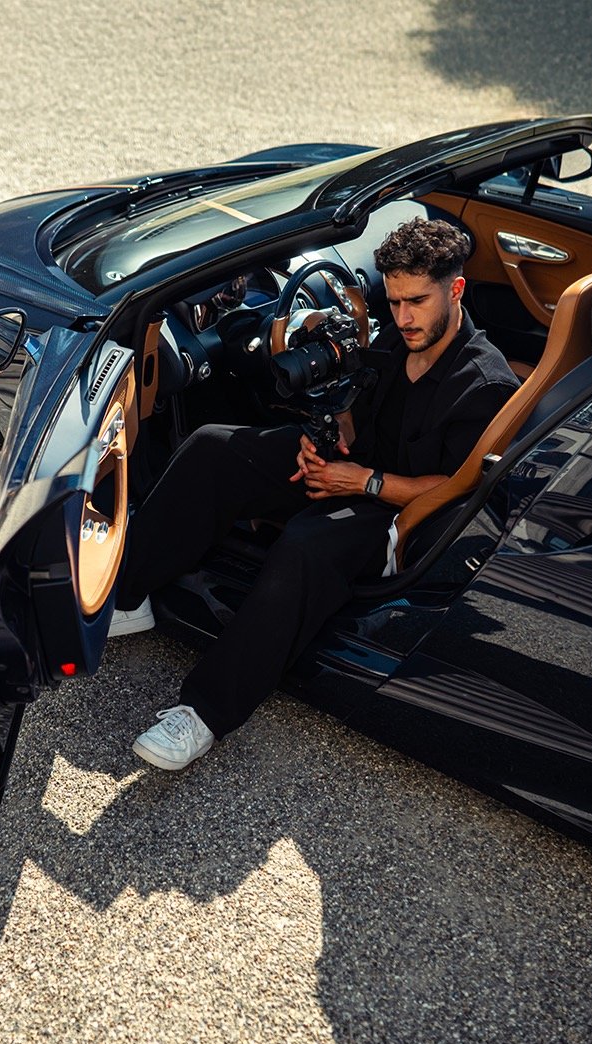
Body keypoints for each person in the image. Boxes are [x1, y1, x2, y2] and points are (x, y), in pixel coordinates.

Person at [110, 218, 518, 770]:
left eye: (417, 302)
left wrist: (364, 482)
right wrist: (321, 443)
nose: (402, 316)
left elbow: (460, 487)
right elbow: (356, 416)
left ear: (456, 289)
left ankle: (204, 713)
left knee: (306, 545)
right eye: (394, 300)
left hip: (399, 509)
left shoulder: (484, 383)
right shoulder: (397, 335)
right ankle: (130, 593)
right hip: (356, 467)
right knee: (214, 448)